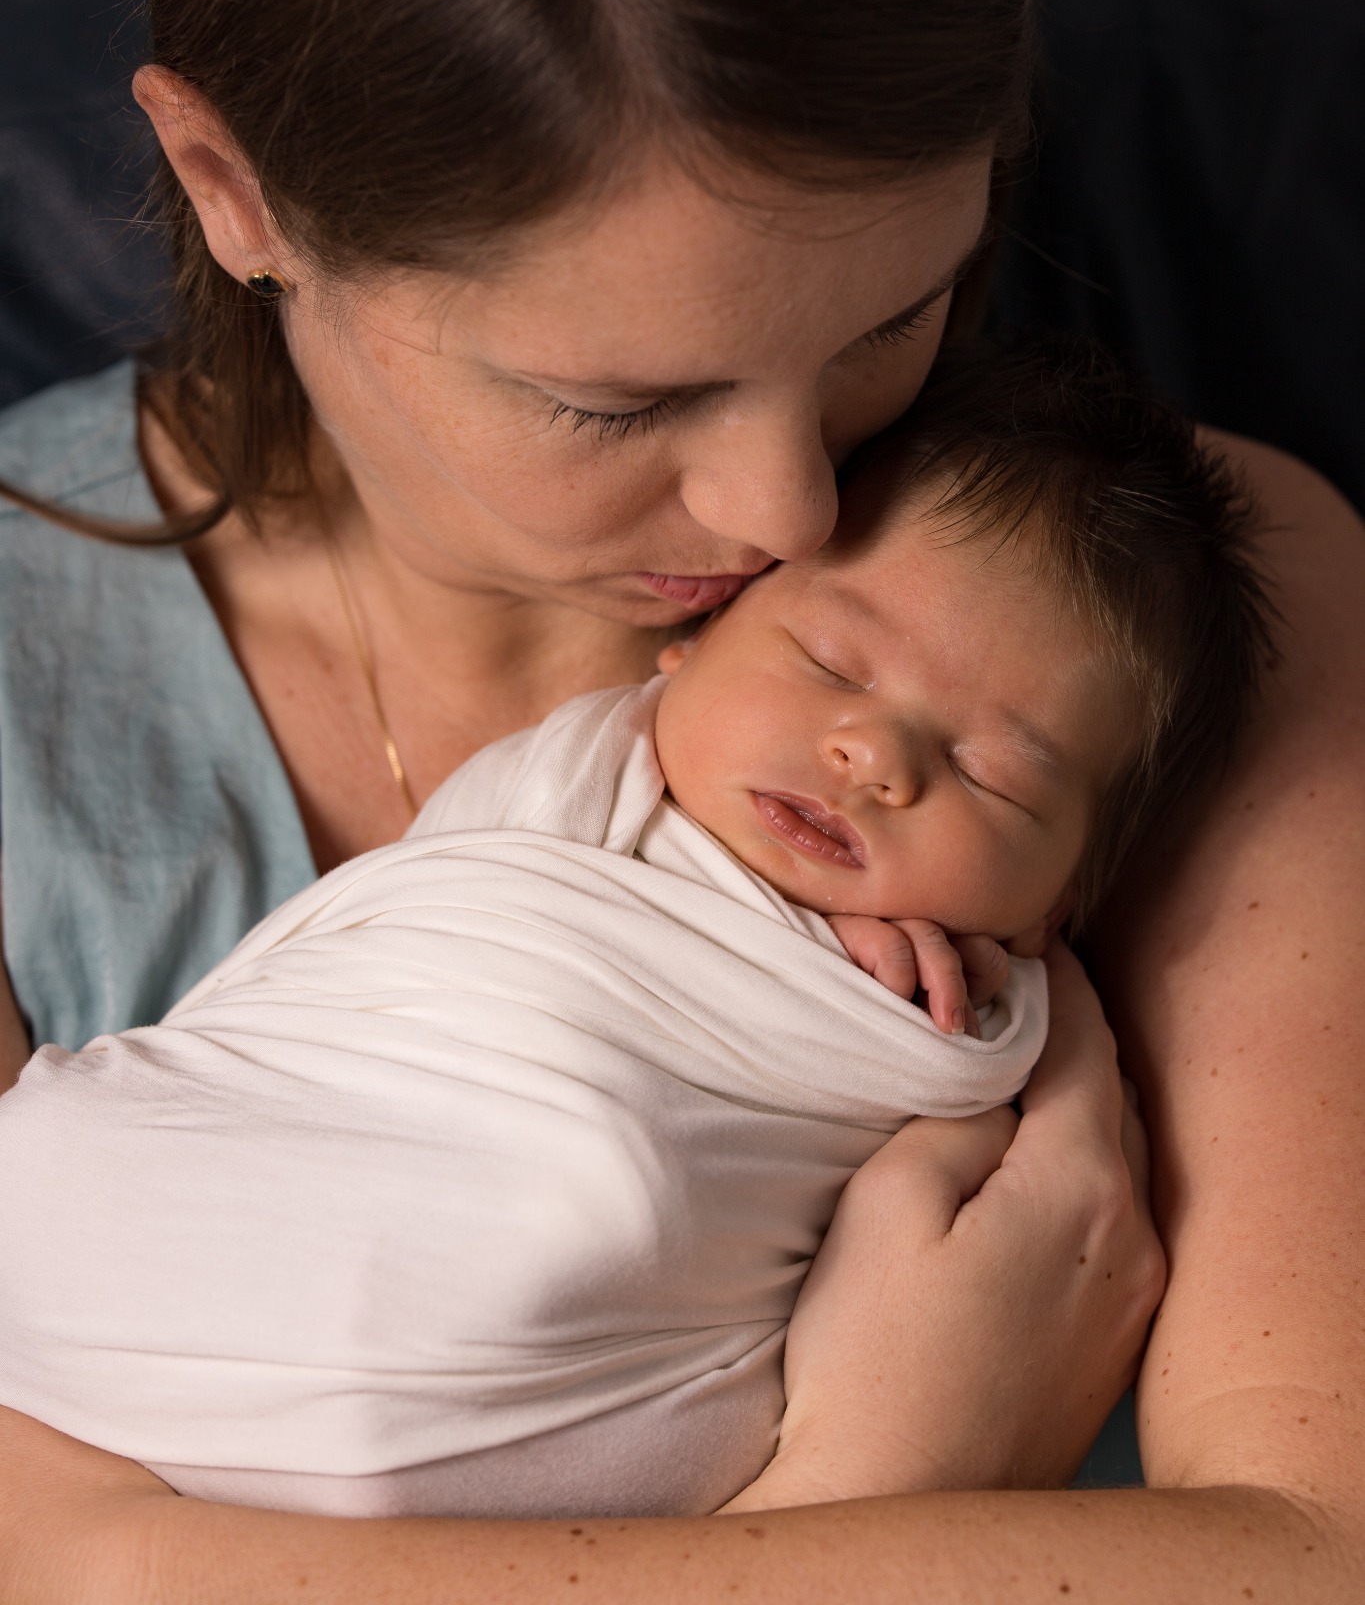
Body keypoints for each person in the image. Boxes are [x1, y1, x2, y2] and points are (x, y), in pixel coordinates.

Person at [0, 0, 1362, 1599]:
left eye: (892, 315)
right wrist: (875, 1477)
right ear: (231, 191)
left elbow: (1320, 1549)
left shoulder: (1187, 610)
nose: (791, 506)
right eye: (614, 398)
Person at [0, 339, 1271, 1522]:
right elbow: (409, 951)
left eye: (993, 775)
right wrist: (875, 1476)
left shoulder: (975, 1003)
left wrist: (920, 1027)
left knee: (596, 1212)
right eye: (832, 664)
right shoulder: (569, 782)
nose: (874, 754)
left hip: (558, 1351)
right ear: (687, 648)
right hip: (227, 1256)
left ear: (1057, 905)